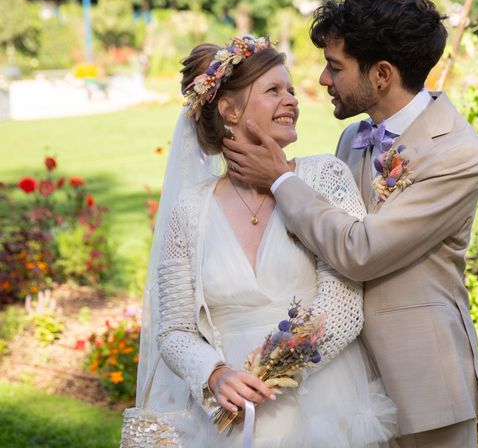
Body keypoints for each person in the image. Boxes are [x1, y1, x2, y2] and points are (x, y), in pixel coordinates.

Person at [222, 0, 478, 448]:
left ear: (381, 74)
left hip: (423, 385)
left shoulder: (459, 154)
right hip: (349, 386)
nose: (324, 80)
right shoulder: (354, 139)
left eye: (334, 67)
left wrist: (282, 181)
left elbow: (361, 249)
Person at [129, 35, 396, 448]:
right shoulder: (190, 209)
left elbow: (343, 303)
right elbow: (175, 329)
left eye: (291, 90)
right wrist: (216, 376)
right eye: (274, 90)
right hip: (228, 414)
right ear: (229, 109)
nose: (292, 100)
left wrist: (268, 375)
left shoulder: (325, 176)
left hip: (324, 405)